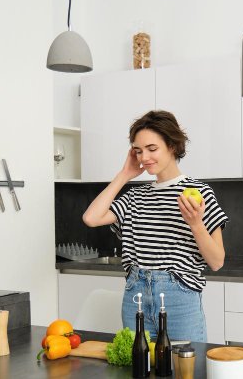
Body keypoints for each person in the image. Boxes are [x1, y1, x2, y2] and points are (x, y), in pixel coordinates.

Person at [82, 110, 228, 343]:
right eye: (138, 151)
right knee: (139, 368)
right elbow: (91, 218)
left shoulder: (200, 193)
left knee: (185, 370)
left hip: (179, 297)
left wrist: (195, 223)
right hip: (135, 296)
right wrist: (124, 175)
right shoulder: (135, 196)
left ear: (172, 146)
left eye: (152, 149)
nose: (144, 157)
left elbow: (217, 261)